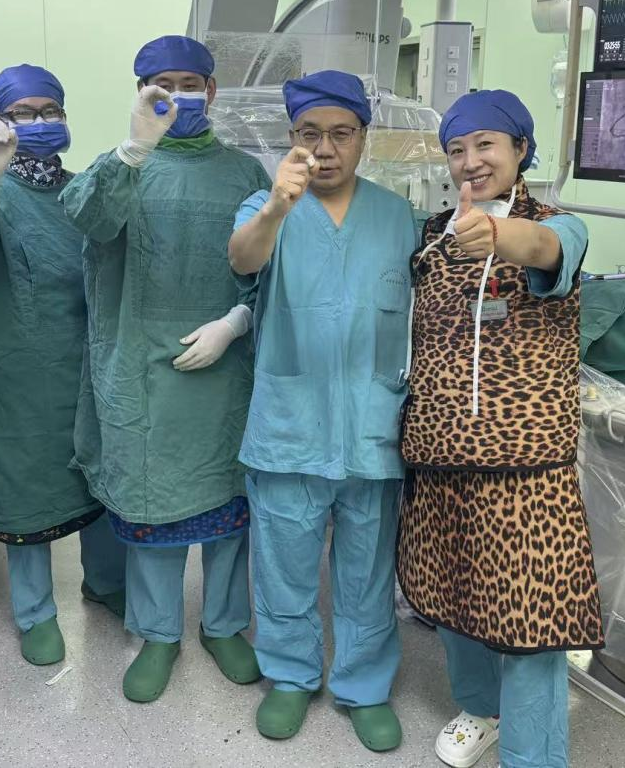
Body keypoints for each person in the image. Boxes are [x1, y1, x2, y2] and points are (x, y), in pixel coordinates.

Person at [395, 90, 604, 768]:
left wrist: (498, 234)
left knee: (532, 621)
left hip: (525, 469)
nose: (470, 161)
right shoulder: (432, 237)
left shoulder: (560, 227)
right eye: (456, 149)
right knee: (456, 603)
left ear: (521, 149)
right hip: (438, 453)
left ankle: (533, 756)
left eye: (485, 144)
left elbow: (544, 249)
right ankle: (480, 709)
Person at [62, 35, 271, 703]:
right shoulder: (120, 165)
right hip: (139, 370)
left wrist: (235, 322)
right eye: (162, 84)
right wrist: (134, 149)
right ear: (140, 93)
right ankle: (157, 634)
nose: (176, 95)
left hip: (224, 371)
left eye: (189, 83)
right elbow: (87, 219)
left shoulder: (245, 174)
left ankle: (224, 625)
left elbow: (272, 267)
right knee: (150, 502)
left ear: (211, 91)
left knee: (228, 504)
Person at [229, 70, 417, 752]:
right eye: (311, 134)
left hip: (372, 427)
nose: (326, 148)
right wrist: (277, 209)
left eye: (342, 133)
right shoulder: (264, 205)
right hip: (290, 423)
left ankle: (364, 684)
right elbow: (242, 260)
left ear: (364, 137)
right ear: (291, 139)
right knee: (283, 563)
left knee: (367, 571)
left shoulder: (398, 216)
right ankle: (289, 674)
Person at [0, 64, 127, 668]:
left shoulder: (81, 191)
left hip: (86, 365)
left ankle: (107, 583)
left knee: (96, 473)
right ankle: (36, 611)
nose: (39, 123)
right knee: (26, 485)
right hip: (13, 373)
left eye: (50, 111)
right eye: (22, 114)